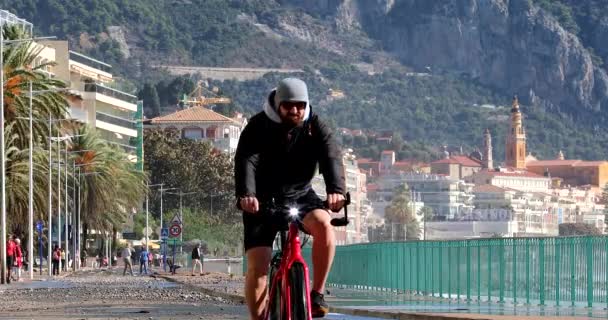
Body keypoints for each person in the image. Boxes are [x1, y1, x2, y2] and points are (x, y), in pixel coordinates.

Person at [235, 78, 346, 319]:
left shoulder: (316, 126)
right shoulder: (257, 126)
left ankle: (316, 294)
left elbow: (331, 157)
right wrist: (247, 194)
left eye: (300, 105)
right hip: (261, 200)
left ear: (307, 105)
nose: (295, 110)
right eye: (288, 105)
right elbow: (247, 160)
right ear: (277, 104)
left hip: (301, 194)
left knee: (325, 225)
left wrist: (336, 190)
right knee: (258, 268)